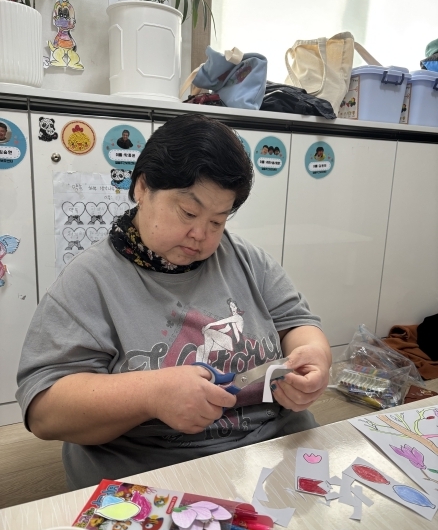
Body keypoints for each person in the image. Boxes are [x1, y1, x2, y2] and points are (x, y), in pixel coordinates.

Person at [16, 114, 331, 490]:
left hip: (272, 453)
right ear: (142, 187)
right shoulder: (89, 280)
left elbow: (297, 323)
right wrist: (151, 395)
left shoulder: (246, 260)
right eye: (188, 213)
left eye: (217, 221)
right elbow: (44, 411)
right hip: (155, 474)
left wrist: (315, 358)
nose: (200, 234)